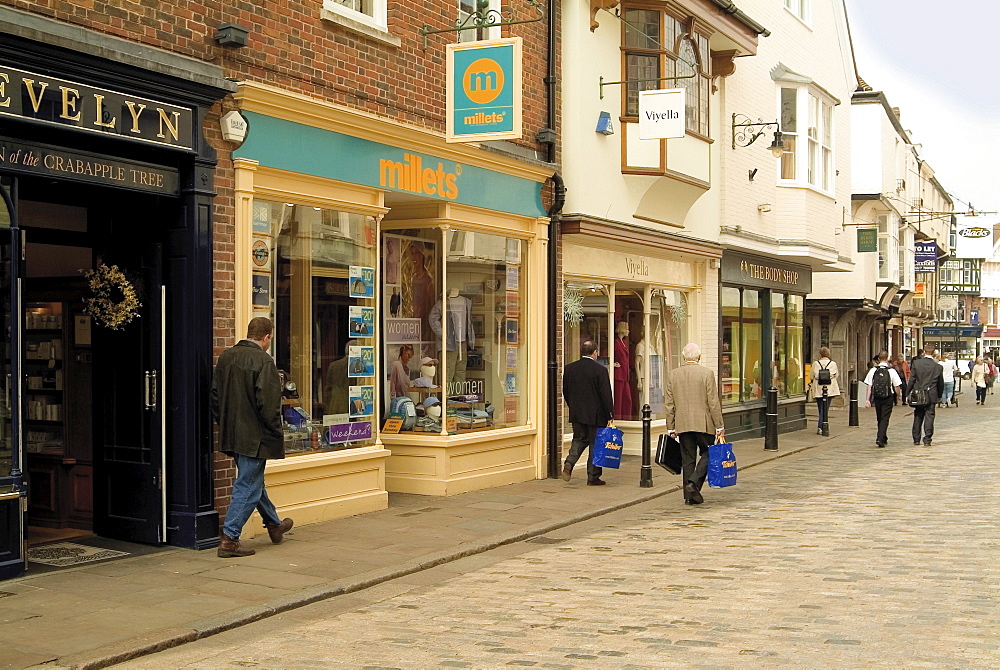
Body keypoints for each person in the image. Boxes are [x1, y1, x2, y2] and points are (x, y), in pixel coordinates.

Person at [211, 317, 294, 558]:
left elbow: (215, 397)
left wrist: (224, 422)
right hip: (255, 436)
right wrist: (276, 432)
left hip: (233, 434)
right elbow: (268, 405)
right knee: (248, 484)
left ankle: (274, 524)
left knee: (253, 480)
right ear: (266, 337)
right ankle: (230, 538)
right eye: (271, 338)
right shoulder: (264, 361)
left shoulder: (226, 357)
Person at [664, 343, 725, 505]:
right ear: (699, 357)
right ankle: (693, 483)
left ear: (684, 357)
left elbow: (669, 404)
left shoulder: (673, 375)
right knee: (709, 453)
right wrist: (719, 425)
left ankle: (689, 497)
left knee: (688, 459)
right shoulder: (707, 374)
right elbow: (713, 402)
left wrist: (671, 427)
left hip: (683, 424)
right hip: (704, 423)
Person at [561, 339, 614, 486]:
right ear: (595, 353)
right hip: (596, 415)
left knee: (579, 439)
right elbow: (606, 395)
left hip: (577, 414)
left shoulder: (570, 368)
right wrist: (610, 414)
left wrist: (572, 406)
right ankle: (593, 477)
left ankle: (569, 463)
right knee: (596, 444)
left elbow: (566, 391)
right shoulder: (600, 370)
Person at [863, 350, 902, 448]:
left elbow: (869, 386)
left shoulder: (873, 370)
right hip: (888, 397)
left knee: (879, 417)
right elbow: (896, 386)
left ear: (879, 359)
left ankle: (883, 437)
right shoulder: (891, 371)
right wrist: (899, 395)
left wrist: (867, 399)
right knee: (885, 418)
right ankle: (880, 438)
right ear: (887, 358)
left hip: (877, 397)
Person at [908, 342, 944, 446]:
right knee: (930, 417)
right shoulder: (937, 367)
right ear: (933, 353)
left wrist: (907, 392)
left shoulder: (916, 364)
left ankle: (916, 438)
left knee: (918, 416)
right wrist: (939, 395)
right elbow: (940, 383)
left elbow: (912, 379)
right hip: (931, 394)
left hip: (918, 394)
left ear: (924, 352)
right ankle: (927, 439)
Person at [810, 347, 839, 436]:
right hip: (829, 389)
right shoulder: (833, 364)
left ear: (820, 354)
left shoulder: (815, 364)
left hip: (819, 388)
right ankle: (823, 425)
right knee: (825, 408)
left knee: (820, 408)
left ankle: (820, 426)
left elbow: (811, 376)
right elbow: (836, 375)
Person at [324, 339, 358, 414]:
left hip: (335, 405)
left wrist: (327, 407)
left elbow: (328, 388)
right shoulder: (359, 366)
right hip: (352, 406)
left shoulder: (333, 365)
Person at [613, 321, 632, 420]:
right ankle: (618, 419)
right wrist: (612, 364)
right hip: (619, 375)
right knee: (618, 399)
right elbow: (606, 355)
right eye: (627, 329)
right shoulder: (615, 343)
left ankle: (626, 419)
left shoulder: (624, 343)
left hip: (625, 375)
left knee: (627, 399)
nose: (628, 331)